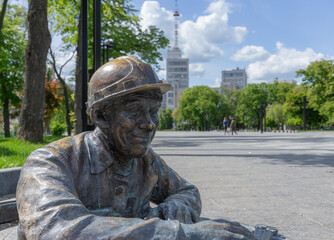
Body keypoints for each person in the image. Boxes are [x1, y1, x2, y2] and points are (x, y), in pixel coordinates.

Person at [16, 56, 262, 239]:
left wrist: (177, 204)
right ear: (101, 116)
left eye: (153, 112)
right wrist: (180, 233)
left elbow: (187, 191)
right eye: (134, 112)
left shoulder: (145, 161)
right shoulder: (50, 161)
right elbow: (56, 230)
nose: (150, 124)